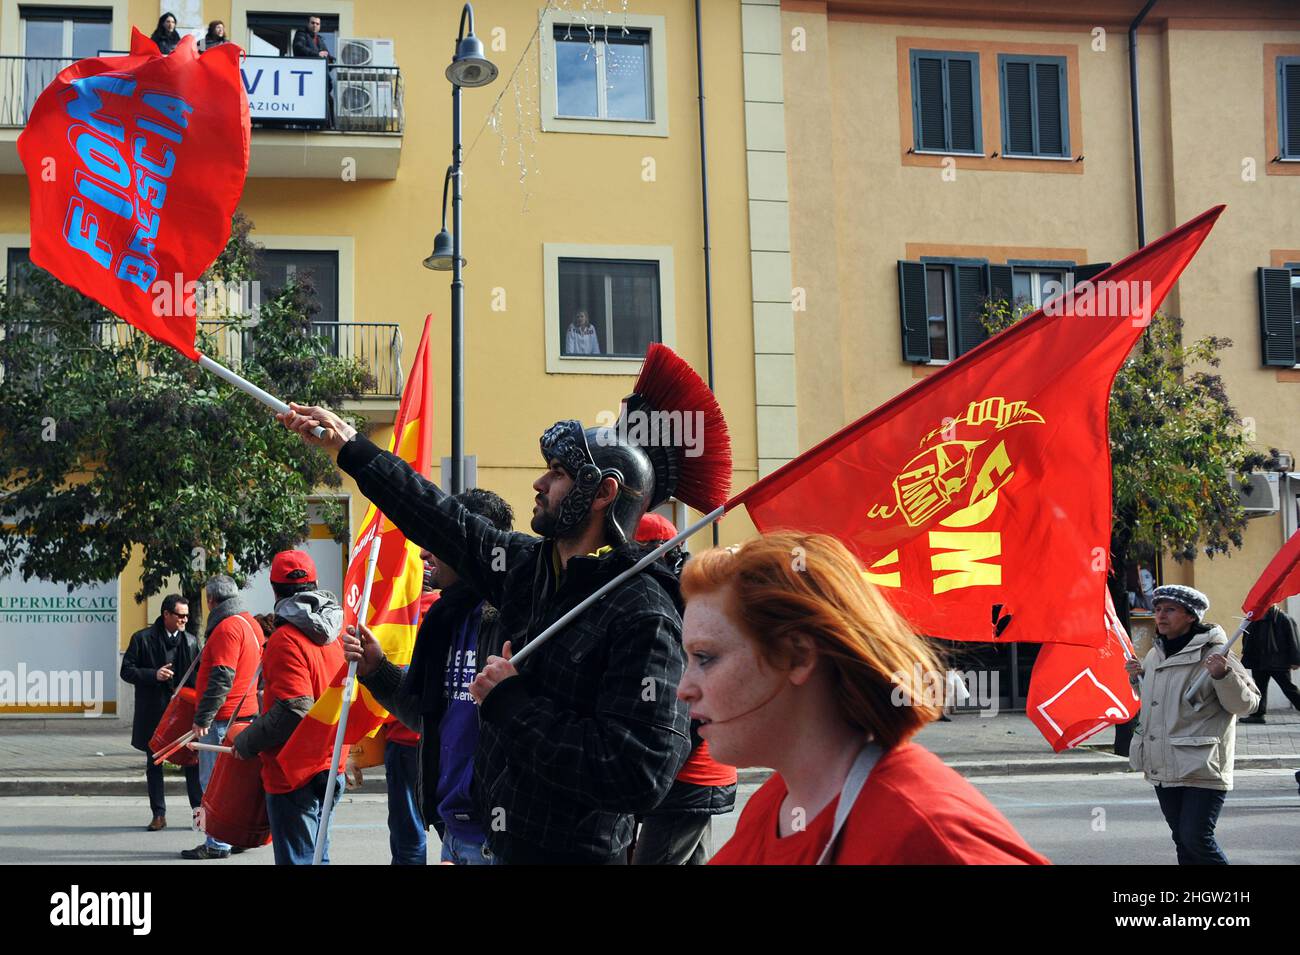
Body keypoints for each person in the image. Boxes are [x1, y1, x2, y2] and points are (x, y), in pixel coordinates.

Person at [278, 347, 728, 864]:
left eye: (557, 472)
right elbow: (442, 518)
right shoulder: (529, 568)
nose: (539, 483)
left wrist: (514, 704)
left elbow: (638, 772)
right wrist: (351, 448)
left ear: (602, 491)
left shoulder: (644, 614)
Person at [679, 534, 1050, 865]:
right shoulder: (774, 804)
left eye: (706, 658)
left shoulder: (927, 830)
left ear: (798, 656)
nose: (684, 688)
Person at [346, 489, 515, 865]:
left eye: (436, 538)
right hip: (453, 834)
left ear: (474, 539)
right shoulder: (445, 618)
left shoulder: (515, 618)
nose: (423, 553)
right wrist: (377, 670)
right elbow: (426, 715)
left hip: (498, 840)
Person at [629, 512, 737, 865]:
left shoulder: (676, 605)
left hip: (688, 772)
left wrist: (659, 764)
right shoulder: (688, 597)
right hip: (693, 770)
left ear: (656, 552)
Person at [1125, 584, 1260, 865]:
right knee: (1183, 841)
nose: (1160, 616)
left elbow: (1247, 705)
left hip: (1201, 766)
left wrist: (1223, 675)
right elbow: (1159, 705)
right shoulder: (1155, 654)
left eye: (1170, 610)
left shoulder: (1215, 653)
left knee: (1196, 838)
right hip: (1164, 765)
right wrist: (1139, 678)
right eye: (1158, 609)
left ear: (1191, 616)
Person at [231, 551, 347, 865]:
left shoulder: (285, 639)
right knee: (318, 859)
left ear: (274, 590)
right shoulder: (335, 634)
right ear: (316, 584)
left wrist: (247, 741)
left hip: (295, 773)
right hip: (330, 764)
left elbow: (294, 709)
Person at [181, 576, 263, 860]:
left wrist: (203, 718)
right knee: (235, 784)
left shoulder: (227, 628)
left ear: (211, 600)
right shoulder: (250, 624)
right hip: (245, 714)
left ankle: (216, 842)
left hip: (222, 719)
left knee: (212, 783)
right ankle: (235, 837)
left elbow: (221, 677)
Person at [121, 594, 201, 831]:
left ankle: (198, 815)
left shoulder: (190, 641)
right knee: (154, 762)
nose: (184, 620)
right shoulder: (142, 639)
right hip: (153, 710)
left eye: (187, 616)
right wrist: (153, 675)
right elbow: (127, 671)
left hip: (183, 711)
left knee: (192, 762)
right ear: (166, 614)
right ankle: (158, 814)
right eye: (180, 615)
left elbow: (198, 676)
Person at [1240, 602, 1300, 724]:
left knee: (1288, 688)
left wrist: (1295, 660)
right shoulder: (1253, 619)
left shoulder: (1284, 619)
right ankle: (1257, 715)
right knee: (1259, 689)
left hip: (1278, 662)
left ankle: (1258, 714)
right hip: (1259, 661)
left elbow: (1293, 640)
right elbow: (1247, 638)